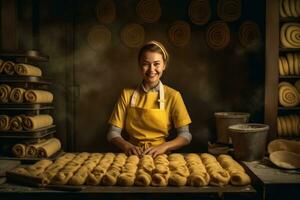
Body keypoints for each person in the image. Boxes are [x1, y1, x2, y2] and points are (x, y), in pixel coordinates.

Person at [107, 40, 192, 158]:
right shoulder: (127, 94)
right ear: (139, 65)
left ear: (164, 65)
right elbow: (112, 133)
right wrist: (127, 146)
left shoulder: (173, 96)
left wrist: (165, 146)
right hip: (131, 156)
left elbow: (186, 135)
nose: (151, 69)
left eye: (156, 64)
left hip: (162, 156)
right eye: (146, 64)